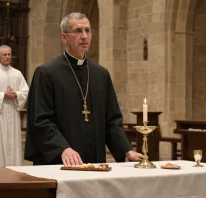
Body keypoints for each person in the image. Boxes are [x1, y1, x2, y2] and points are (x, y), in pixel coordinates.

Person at [25, 12, 143, 166]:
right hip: (59, 161)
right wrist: (63, 148)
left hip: (94, 159)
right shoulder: (46, 73)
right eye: (78, 31)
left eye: (87, 30)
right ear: (64, 37)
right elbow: (40, 120)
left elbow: (112, 119)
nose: (84, 36)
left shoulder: (101, 74)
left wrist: (126, 149)